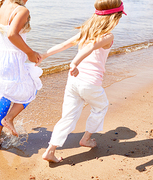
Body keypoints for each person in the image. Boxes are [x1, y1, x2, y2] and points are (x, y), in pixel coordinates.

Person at [40, 0, 127, 162]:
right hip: (90, 82)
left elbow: (65, 44)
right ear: (115, 17)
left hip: (74, 80)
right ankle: (86, 139)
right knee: (101, 107)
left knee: (68, 116)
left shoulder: (86, 31)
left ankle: (50, 151)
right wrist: (74, 62)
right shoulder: (108, 36)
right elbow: (91, 47)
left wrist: (44, 55)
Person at [0, 0, 42, 150]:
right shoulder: (21, 10)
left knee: (5, 97)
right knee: (31, 87)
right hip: (12, 61)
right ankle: (9, 118)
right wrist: (30, 53)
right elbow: (12, 35)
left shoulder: (0, 7)